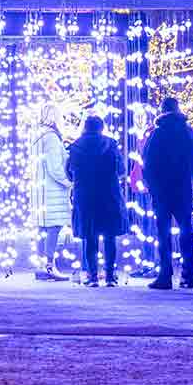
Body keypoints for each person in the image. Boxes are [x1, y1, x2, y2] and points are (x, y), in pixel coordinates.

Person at [142, 95, 193, 289]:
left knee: (163, 233)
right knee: (186, 229)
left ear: (162, 111)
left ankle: (165, 274)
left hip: (162, 189)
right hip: (183, 187)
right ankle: (188, 274)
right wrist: (189, 175)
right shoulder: (189, 133)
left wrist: (152, 185)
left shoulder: (157, 134)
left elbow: (148, 162)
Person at [66, 115, 124, 287]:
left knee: (90, 236)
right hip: (108, 194)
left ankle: (92, 277)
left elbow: (69, 173)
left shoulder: (76, 146)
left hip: (86, 196)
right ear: (101, 127)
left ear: (85, 127)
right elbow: (121, 169)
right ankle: (110, 276)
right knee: (109, 236)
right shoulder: (111, 144)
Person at [32, 122, 72, 281]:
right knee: (54, 227)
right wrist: (68, 182)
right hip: (53, 190)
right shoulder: (52, 138)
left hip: (41, 189)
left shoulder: (38, 136)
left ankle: (42, 267)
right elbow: (55, 167)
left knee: (43, 228)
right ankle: (49, 266)